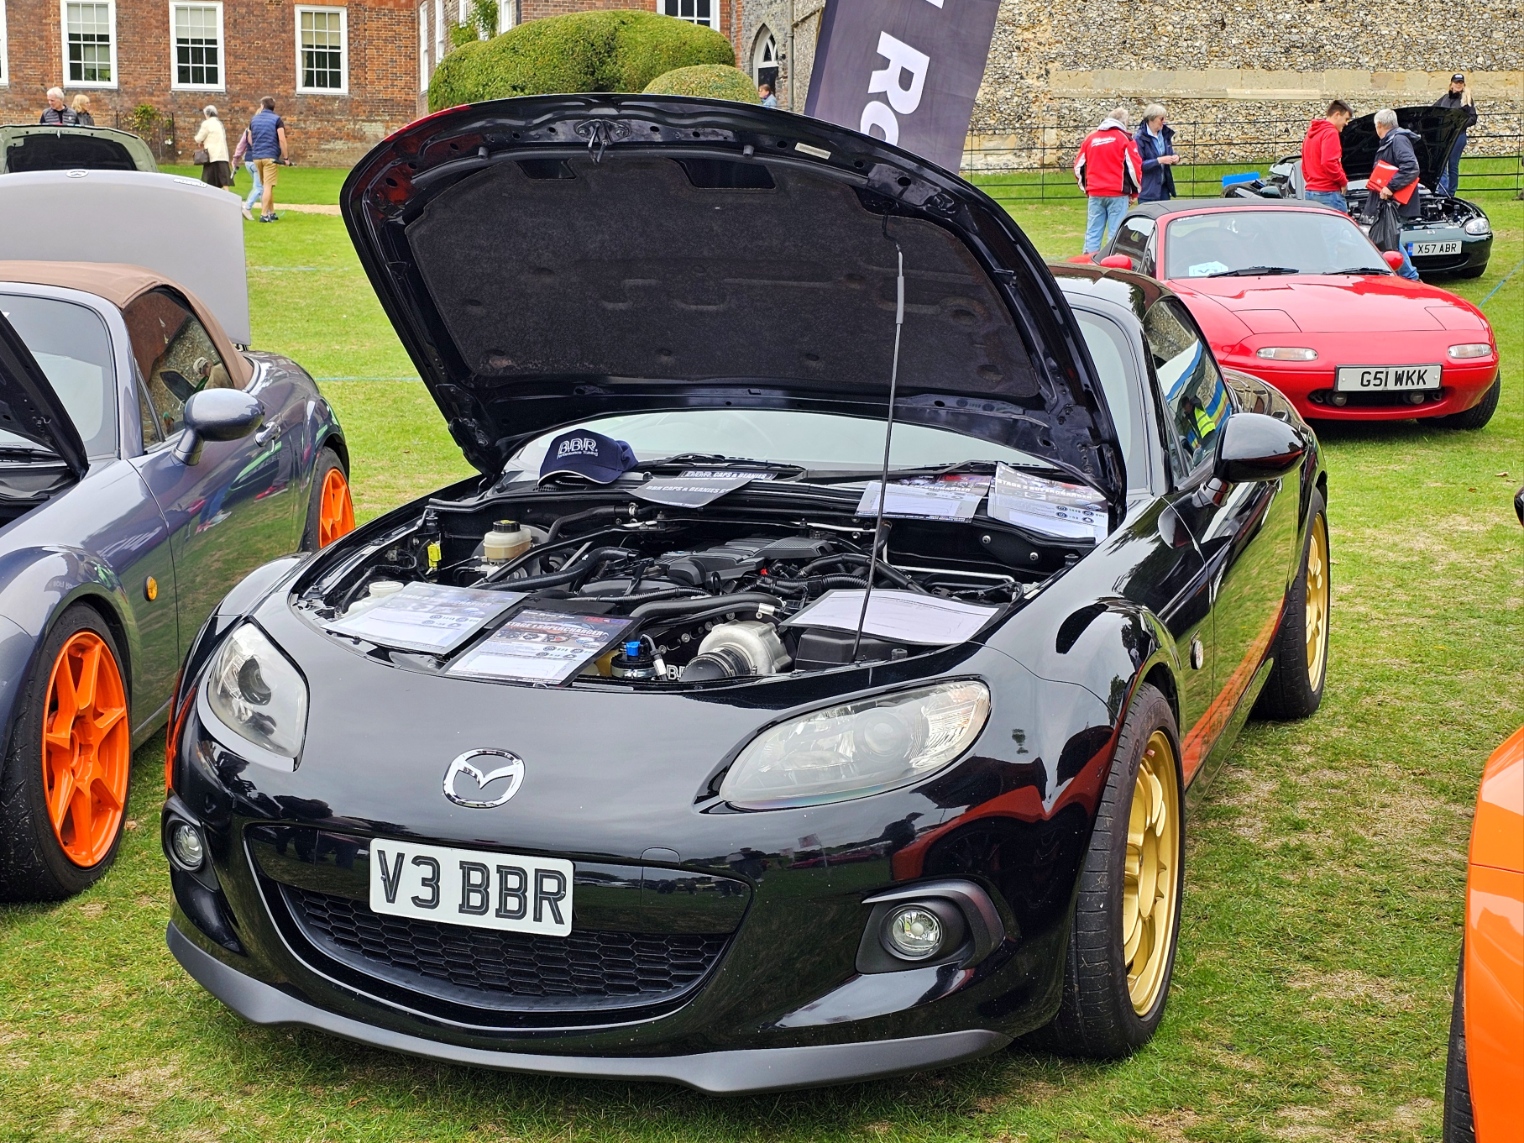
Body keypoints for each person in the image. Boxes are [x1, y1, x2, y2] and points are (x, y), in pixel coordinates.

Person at [1074, 107, 1142, 254]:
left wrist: (1087, 188)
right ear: (1124, 122)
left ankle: (1088, 262)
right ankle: (1112, 263)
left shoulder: (1091, 139)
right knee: (1115, 233)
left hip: (1095, 192)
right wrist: (1135, 192)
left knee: (1093, 232)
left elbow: (1078, 167)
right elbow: (1134, 168)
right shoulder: (1125, 139)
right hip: (1117, 193)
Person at [1372, 108, 1422, 281]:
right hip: (1395, 200)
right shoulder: (1395, 139)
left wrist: (1390, 187)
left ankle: (1410, 277)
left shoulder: (1398, 140)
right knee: (1391, 239)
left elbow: (1411, 167)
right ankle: (1407, 276)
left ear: (1379, 125)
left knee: (1391, 240)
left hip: (1397, 200)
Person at [1301, 99, 1352, 212]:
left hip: (1310, 192)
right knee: (1340, 224)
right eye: (1346, 119)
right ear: (1337, 115)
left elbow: (1304, 165)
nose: (1347, 123)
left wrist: (1312, 182)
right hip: (1329, 194)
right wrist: (1343, 182)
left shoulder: (1310, 134)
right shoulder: (1330, 132)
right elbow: (1329, 162)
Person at [1433, 73, 1477, 195]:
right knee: (1441, 164)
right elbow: (1434, 111)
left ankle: (1451, 192)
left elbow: (1473, 118)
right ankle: (1443, 191)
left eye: (1460, 83)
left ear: (1463, 84)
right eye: (1456, 82)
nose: (1458, 85)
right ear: (1451, 84)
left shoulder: (1466, 99)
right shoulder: (1444, 98)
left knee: (1453, 165)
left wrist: (1458, 125)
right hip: (1444, 136)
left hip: (1458, 136)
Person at [246, 96, 287, 223]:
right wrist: (286, 157)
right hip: (270, 157)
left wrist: (257, 148)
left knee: (267, 186)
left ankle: (272, 212)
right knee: (268, 186)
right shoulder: (277, 120)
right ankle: (264, 214)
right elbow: (282, 139)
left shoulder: (254, 119)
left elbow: (250, 138)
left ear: (262, 106)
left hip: (257, 157)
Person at [1134, 104, 1179, 202]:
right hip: (1148, 190)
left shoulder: (1165, 134)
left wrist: (1175, 157)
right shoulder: (1139, 139)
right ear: (1152, 119)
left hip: (1164, 189)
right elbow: (1139, 165)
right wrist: (1159, 161)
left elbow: (1170, 152)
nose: (1164, 121)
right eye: (1161, 119)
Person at [195, 105, 231, 189]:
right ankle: (227, 194)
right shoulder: (219, 123)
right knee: (224, 178)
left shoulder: (207, 123)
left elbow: (199, 138)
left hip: (211, 155)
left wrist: (199, 141)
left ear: (207, 114)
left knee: (210, 180)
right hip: (222, 155)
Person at [232, 119, 261, 221]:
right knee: (259, 188)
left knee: (259, 187)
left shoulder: (248, 130)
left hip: (248, 161)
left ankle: (267, 212)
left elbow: (241, 145)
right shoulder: (263, 129)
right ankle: (247, 208)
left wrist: (235, 159)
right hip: (257, 160)